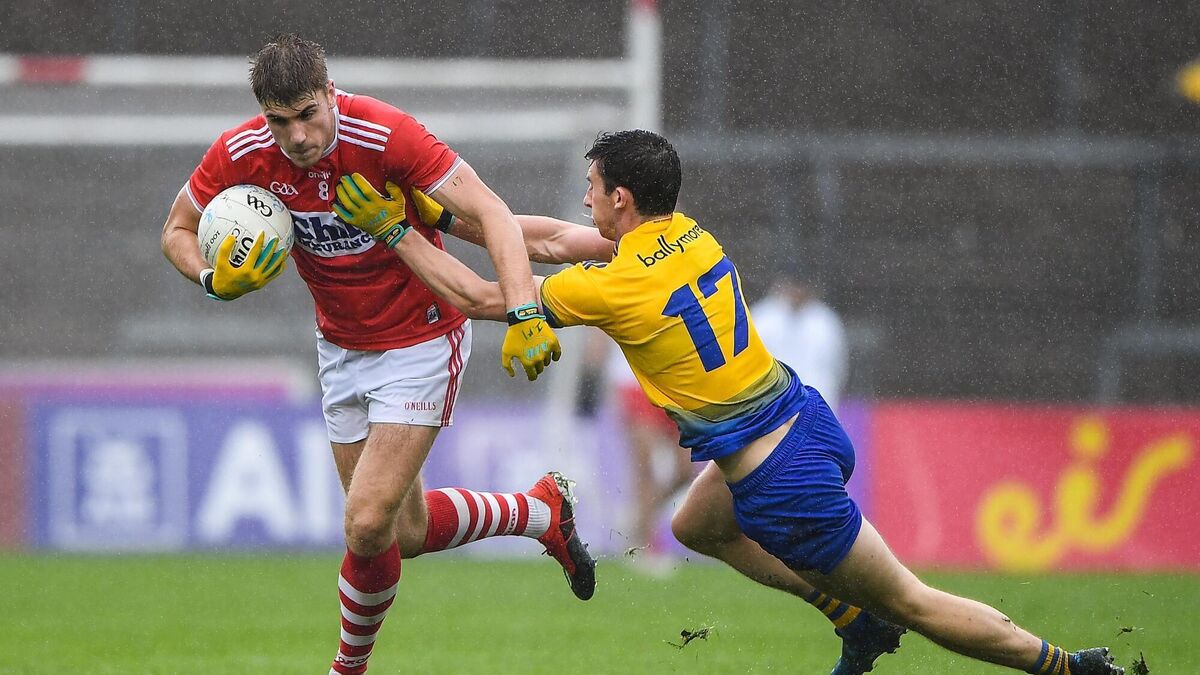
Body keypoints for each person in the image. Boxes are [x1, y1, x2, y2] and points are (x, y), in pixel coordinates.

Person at [333, 130, 1126, 675]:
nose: (583, 199)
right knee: (695, 526)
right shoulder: (689, 233)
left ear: (621, 198)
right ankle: (853, 620)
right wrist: (441, 212)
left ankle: (1067, 665)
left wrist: (396, 234)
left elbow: (479, 296)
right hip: (804, 417)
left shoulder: (617, 286)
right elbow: (542, 241)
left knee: (914, 600)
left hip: (779, 476)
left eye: (591, 188)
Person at [159, 34, 606, 675]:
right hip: (340, 346)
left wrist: (525, 311)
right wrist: (210, 278)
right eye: (280, 122)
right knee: (404, 533)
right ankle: (539, 512)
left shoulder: (385, 135)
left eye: (308, 114)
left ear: (330, 95)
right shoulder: (242, 153)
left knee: (366, 522)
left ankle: (347, 668)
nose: (298, 136)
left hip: (422, 337)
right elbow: (177, 229)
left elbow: (492, 213)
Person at [751, 270, 848, 410]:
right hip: (773, 403)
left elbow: (837, 367)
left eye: (801, 287)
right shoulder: (763, 318)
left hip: (818, 402)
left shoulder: (825, 321)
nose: (797, 292)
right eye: (793, 286)